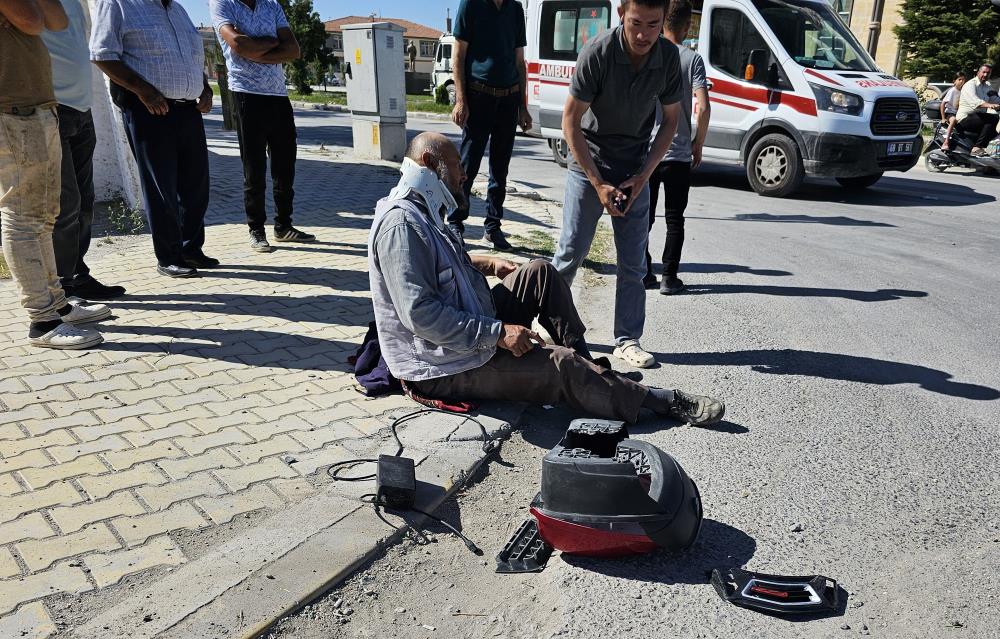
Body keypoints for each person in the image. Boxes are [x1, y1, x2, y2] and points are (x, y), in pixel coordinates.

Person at [369, 133, 725, 426]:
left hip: (466, 330)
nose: (464, 175)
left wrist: (488, 264)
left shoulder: (421, 212)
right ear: (431, 165)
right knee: (559, 365)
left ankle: (594, 373)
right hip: (442, 363)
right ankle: (659, 401)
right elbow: (421, 315)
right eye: (459, 166)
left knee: (540, 272)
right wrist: (499, 334)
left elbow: (440, 266)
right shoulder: (401, 225)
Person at [551, 0, 681, 369]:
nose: (643, 34)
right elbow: (569, 122)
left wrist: (644, 176)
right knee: (570, 252)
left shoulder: (670, 58)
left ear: (663, 20)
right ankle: (548, 326)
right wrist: (596, 183)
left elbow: (671, 121)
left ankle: (627, 340)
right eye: (636, 22)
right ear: (622, 13)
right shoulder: (598, 53)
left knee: (634, 262)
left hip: (635, 168)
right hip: (588, 162)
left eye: (653, 25)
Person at [1, 0, 109, 349]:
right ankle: (42, 321)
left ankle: (57, 305)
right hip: (10, 109)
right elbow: (33, 21)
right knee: (21, 216)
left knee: (45, 216)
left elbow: (57, 21)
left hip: (37, 105)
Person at [90, 0, 217, 278]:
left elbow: (193, 58)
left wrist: (205, 88)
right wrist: (143, 91)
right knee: (162, 189)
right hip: (150, 110)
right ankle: (169, 256)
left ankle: (190, 248)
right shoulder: (118, 4)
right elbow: (102, 54)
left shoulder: (178, 10)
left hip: (188, 109)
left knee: (196, 186)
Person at [210, 0, 316, 254]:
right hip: (246, 93)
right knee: (254, 167)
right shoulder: (222, 3)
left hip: (278, 94)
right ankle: (256, 230)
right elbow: (238, 44)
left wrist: (256, 48)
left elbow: (293, 50)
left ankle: (284, 226)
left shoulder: (271, 5)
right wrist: (271, 41)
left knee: (285, 164)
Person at [41, 0, 126, 300]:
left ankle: (77, 275)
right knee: (65, 204)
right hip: (49, 108)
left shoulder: (76, 3)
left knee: (85, 201)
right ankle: (59, 288)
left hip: (81, 108)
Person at [448, 0, 533, 250]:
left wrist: (522, 106)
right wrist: (461, 101)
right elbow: (459, 55)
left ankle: (493, 227)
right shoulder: (471, 5)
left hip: (508, 98)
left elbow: (520, 62)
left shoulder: (515, 9)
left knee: (500, 169)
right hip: (478, 96)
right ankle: (455, 223)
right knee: (467, 166)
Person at [644, 0, 709, 295]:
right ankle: (669, 278)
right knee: (674, 219)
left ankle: (643, 271)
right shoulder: (692, 59)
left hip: (646, 152)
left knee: (643, 216)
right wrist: (698, 143)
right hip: (679, 152)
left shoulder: (647, 53)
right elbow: (703, 107)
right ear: (686, 26)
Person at [956, 63, 1000, 156]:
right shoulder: (970, 85)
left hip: (979, 119)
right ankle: (977, 147)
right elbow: (975, 102)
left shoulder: (987, 87)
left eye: (988, 73)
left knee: (994, 134)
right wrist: (990, 105)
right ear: (978, 72)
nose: (985, 75)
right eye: (983, 72)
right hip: (965, 119)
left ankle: (990, 158)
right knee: (992, 118)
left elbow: (996, 100)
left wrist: (997, 104)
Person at [939, 71, 965, 151]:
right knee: (953, 120)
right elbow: (943, 104)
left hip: (958, 113)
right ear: (954, 81)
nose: (962, 81)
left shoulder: (963, 91)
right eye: (959, 79)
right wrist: (943, 118)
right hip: (949, 113)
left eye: (963, 80)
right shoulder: (952, 90)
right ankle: (946, 142)